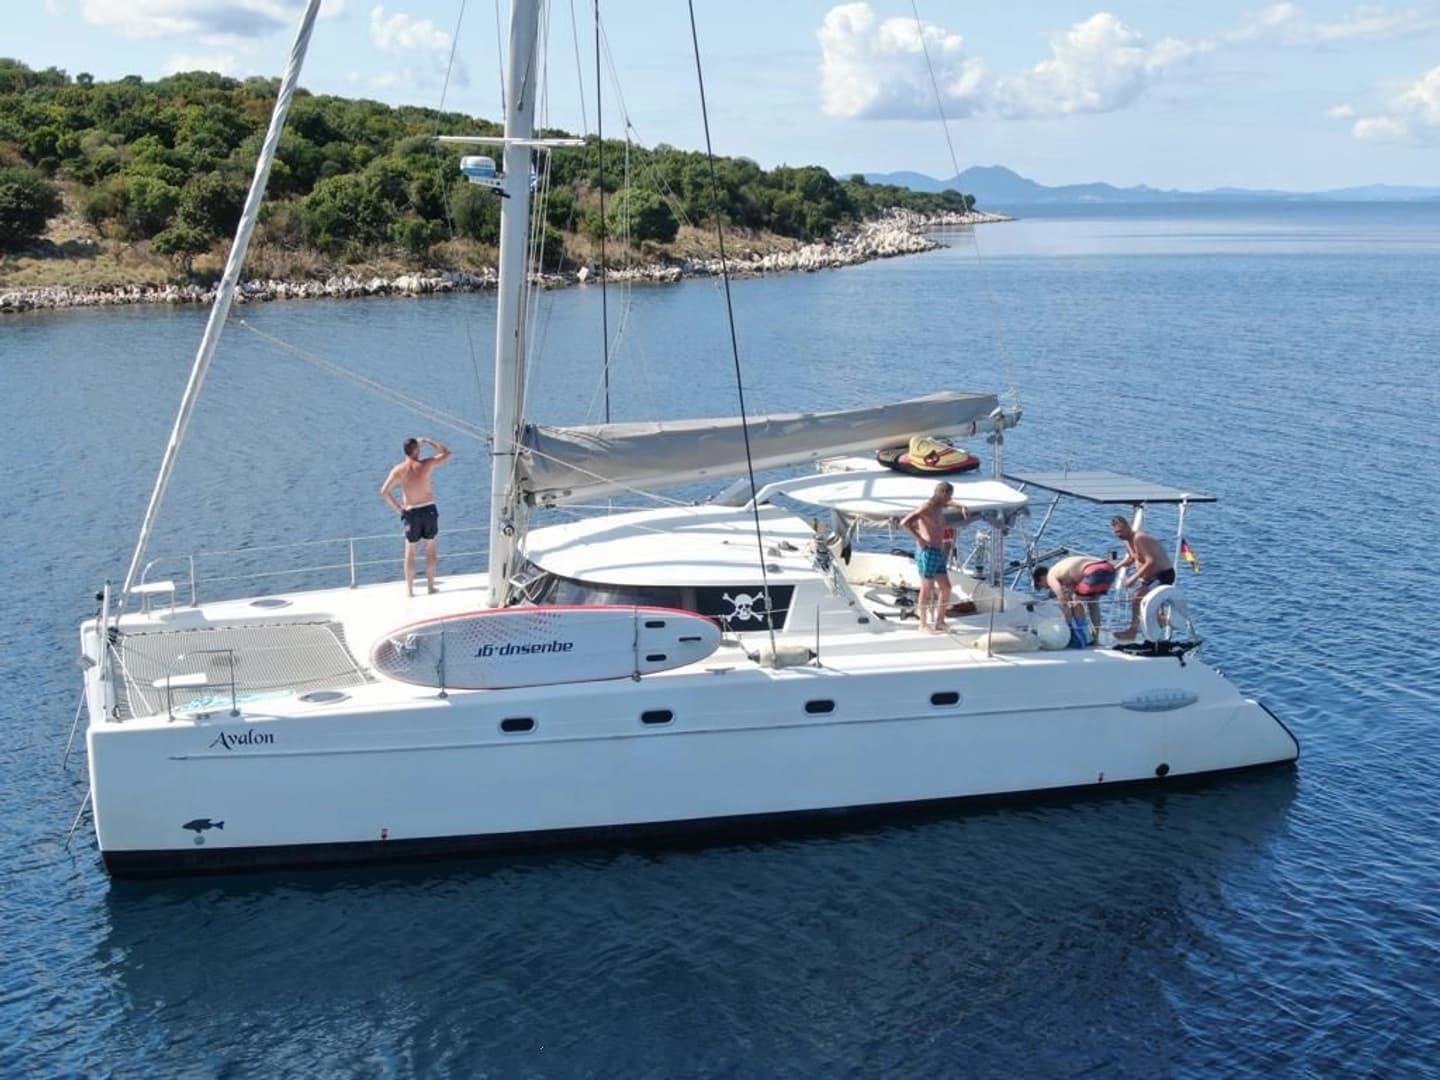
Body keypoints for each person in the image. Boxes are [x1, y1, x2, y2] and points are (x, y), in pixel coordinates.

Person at [380, 436, 451, 597]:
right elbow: (446, 452)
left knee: (410, 551)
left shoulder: (398, 470)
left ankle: (410, 591)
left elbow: (384, 491)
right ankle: (430, 586)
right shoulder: (426, 464)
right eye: (419, 448)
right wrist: (428, 440)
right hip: (428, 510)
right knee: (430, 549)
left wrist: (399, 508)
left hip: (411, 512)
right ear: (416, 450)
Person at [901, 481, 969, 631]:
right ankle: (923, 623)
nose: (949, 499)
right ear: (942, 493)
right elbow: (905, 522)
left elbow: (949, 502)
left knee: (946, 588)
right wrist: (919, 538)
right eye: (948, 495)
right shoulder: (927, 507)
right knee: (927, 587)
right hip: (928, 550)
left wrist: (961, 506)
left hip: (938, 551)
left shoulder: (940, 506)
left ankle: (940, 621)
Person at [1109, 515, 1176, 640]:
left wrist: (1133, 578)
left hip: (1163, 574)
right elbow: (1131, 558)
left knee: (1137, 598)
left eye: (1121, 531)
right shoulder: (1126, 540)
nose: (1119, 535)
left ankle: (1133, 631)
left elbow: (1151, 560)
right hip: (1149, 577)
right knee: (1138, 599)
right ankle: (1159, 621)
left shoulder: (1139, 538)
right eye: (1116, 532)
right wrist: (1114, 568)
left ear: (1128, 527)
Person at [1032, 554, 1117, 644]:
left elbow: (1062, 599)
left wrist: (1066, 624)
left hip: (1093, 570)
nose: (1047, 588)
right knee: (1093, 604)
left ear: (1041, 578)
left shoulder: (1050, 576)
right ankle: (1096, 639)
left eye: (1043, 586)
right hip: (1109, 569)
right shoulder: (1062, 570)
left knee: (1077, 602)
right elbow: (1071, 591)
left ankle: (1080, 637)